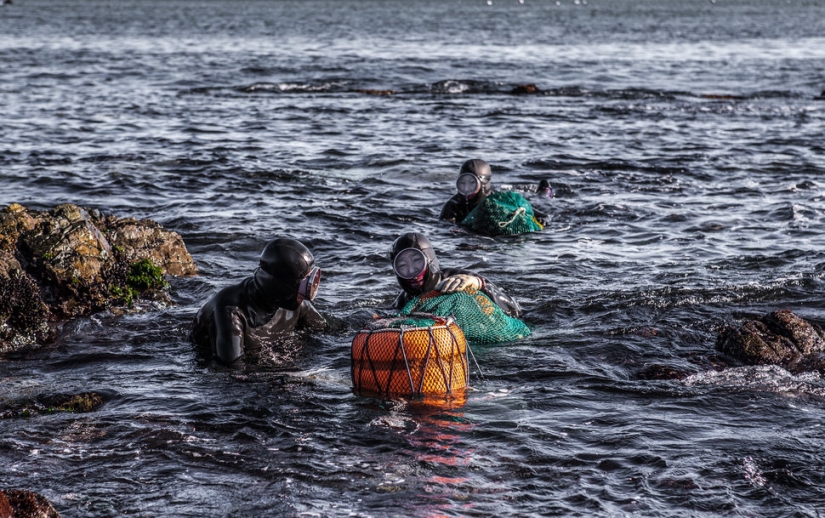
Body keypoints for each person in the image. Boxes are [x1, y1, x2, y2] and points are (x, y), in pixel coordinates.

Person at [189, 237, 325, 363]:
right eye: (305, 284)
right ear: (281, 286)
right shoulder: (231, 313)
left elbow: (325, 332)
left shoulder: (296, 302)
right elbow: (231, 369)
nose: (309, 290)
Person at [389, 232, 522, 317]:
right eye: (402, 266)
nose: (412, 273)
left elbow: (515, 310)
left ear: (429, 260)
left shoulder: (463, 279)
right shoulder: (403, 302)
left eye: (417, 262)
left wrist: (480, 285)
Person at [439, 158, 550, 224]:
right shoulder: (452, 206)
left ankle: (544, 191)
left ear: (483, 183)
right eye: (462, 183)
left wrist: (540, 222)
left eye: (472, 183)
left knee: (541, 199)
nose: (467, 189)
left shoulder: (502, 201)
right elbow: (444, 228)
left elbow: (545, 216)